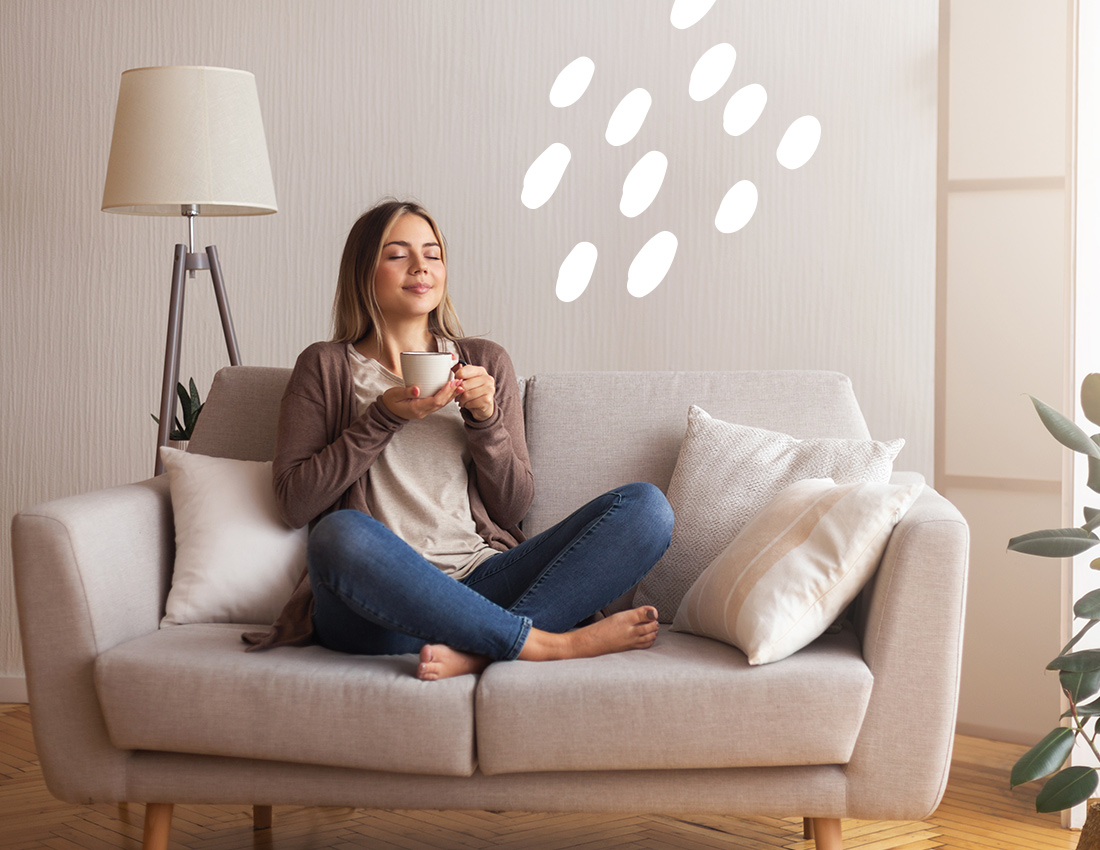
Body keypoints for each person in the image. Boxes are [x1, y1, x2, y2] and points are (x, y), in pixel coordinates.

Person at [245, 199, 674, 681]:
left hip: (480, 583)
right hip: (378, 607)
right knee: (338, 535)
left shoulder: (483, 362)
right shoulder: (325, 366)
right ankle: (547, 643)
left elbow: (511, 508)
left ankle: (480, 651)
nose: (420, 267)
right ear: (363, 270)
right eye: (397, 254)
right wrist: (382, 416)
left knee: (646, 508)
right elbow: (294, 502)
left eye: (432, 254)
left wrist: (485, 419)